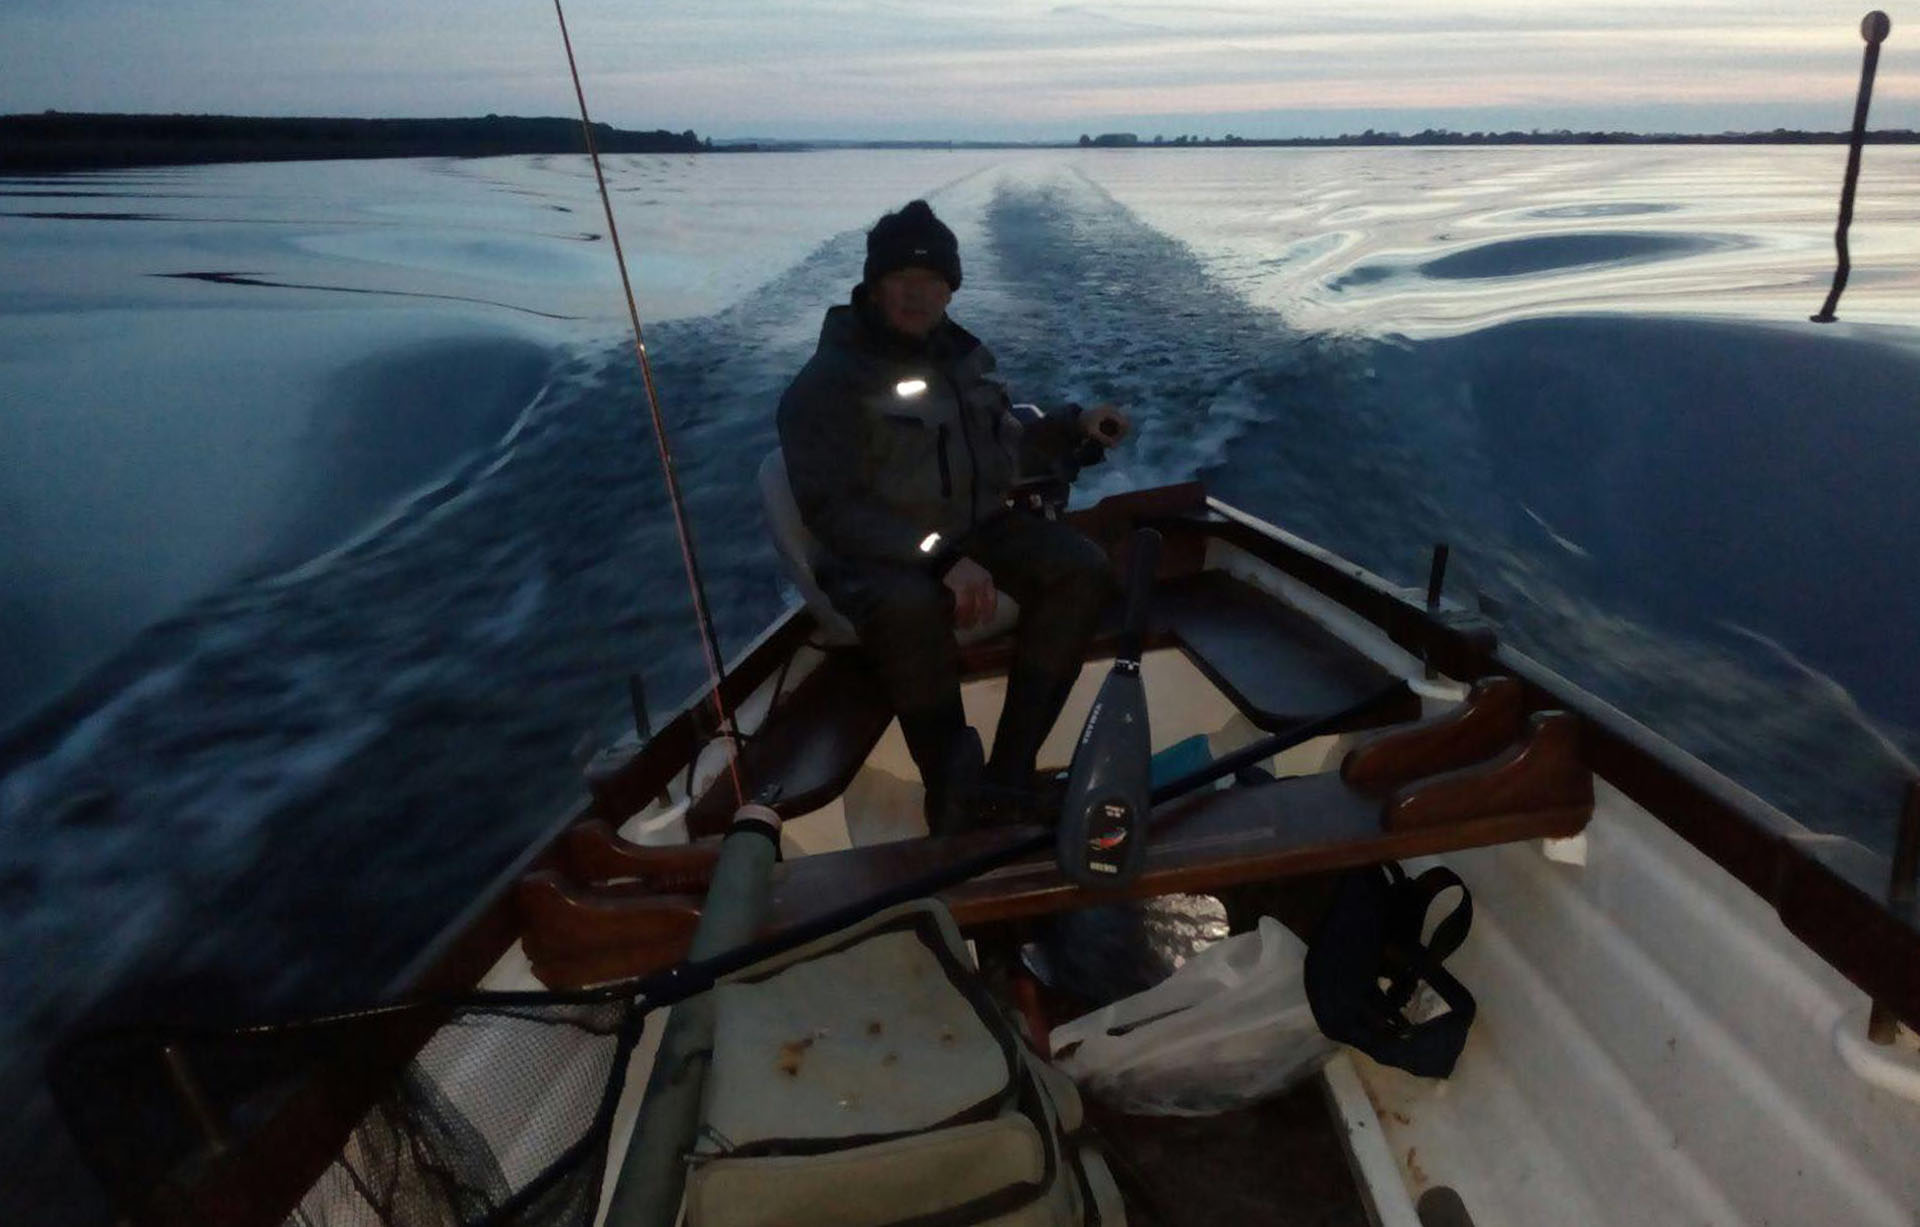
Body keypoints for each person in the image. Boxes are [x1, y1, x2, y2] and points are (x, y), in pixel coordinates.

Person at [777, 199, 1129, 832]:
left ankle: (1009, 774)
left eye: (934, 282)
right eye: (903, 281)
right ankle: (952, 788)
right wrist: (941, 559)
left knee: (1083, 569)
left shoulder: (959, 359)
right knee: (911, 608)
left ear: (951, 289)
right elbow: (833, 510)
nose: (919, 295)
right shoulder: (828, 383)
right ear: (874, 284)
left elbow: (1002, 444)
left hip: (971, 530)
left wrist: (1074, 427)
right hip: (879, 552)